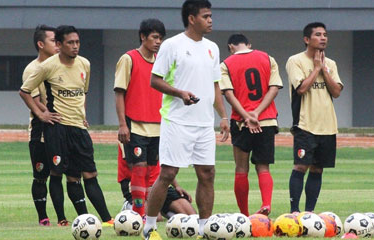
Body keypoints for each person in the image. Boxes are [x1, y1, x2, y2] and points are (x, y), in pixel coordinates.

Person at [143, 0, 230, 239]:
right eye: (206, 16)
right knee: (168, 174)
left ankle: (204, 228)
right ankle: (149, 227)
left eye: (211, 16)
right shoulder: (172, 45)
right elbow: (155, 80)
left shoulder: (212, 47)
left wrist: (223, 116)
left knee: (207, 173)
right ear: (192, 19)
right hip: (177, 121)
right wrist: (180, 93)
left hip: (204, 124)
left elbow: (215, 86)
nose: (210, 20)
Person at [19, 25, 114, 227]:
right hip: (57, 128)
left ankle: (106, 219)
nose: (75, 46)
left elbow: (83, 93)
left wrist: (83, 115)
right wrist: (41, 114)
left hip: (78, 128)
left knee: (86, 174)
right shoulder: (45, 67)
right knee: (55, 172)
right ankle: (60, 218)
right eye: (70, 42)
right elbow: (25, 91)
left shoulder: (85, 64)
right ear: (60, 45)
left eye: (77, 42)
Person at [219, 34, 282, 216]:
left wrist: (247, 116)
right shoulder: (268, 58)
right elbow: (274, 88)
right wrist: (257, 112)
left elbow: (229, 95)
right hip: (267, 120)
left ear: (231, 46)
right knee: (263, 167)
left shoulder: (226, 64)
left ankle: (244, 215)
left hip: (241, 123)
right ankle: (267, 203)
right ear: (249, 44)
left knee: (241, 168)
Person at [286, 22, 343, 214]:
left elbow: (336, 92)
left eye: (325, 34)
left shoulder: (332, 64)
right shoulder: (295, 61)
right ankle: (295, 211)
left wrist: (324, 69)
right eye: (318, 34)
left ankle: (309, 213)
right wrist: (316, 68)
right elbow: (301, 88)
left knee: (318, 169)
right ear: (306, 39)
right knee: (301, 166)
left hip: (327, 125)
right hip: (305, 124)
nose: (323, 38)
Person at [114, 18, 165, 217]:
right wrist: (122, 124)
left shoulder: (161, 61)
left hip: (157, 125)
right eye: (154, 37)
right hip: (134, 124)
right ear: (143, 37)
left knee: (153, 172)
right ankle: (138, 213)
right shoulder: (128, 59)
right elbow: (119, 93)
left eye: (160, 38)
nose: (158, 42)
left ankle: (149, 214)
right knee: (139, 169)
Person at [22, 24, 59, 226]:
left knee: (62, 172)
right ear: (40, 44)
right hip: (40, 130)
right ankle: (43, 217)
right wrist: (45, 114)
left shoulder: (59, 66)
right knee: (40, 175)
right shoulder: (32, 69)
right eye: (54, 40)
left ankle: (62, 216)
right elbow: (35, 100)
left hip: (61, 127)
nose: (58, 44)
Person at [117, 143, 197, 219]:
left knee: (191, 214)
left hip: (159, 184)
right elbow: (133, 165)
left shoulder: (157, 134)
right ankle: (129, 205)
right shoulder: (131, 135)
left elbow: (166, 167)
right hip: (138, 185)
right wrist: (146, 189)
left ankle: (162, 207)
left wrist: (176, 186)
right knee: (155, 217)